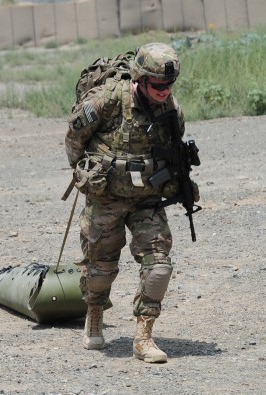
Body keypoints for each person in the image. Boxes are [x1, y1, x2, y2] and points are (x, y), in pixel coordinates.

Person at [64, 42, 198, 363]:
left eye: (168, 85)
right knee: (100, 267)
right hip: (106, 196)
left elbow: (174, 149)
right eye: (157, 85)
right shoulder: (106, 100)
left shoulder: (169, 110)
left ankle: (143, 337)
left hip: (147, 199)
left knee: (159, 266)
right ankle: (95, 314)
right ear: (140, 79)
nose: (164, 91)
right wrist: (85, 171)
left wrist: (182, 183)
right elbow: (74, 138)